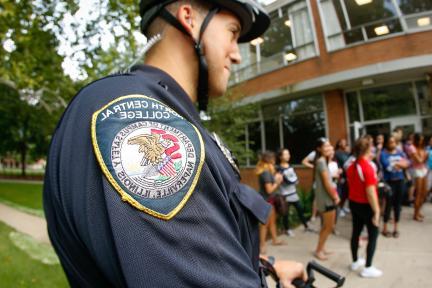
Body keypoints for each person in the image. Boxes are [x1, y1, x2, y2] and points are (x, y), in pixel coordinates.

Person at [43, 1, 305, 286]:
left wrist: (263, 271)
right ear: (189, 18)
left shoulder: (168, 114)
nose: (237, 55)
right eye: (232, 32)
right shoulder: (134, 115)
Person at [346, 137, 383, 278]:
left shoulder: (352, 166)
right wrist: (377, 211)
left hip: (354, 203)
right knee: (373, 235)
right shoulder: (367, 167)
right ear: (368, 149)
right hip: (366, 205)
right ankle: (368, 267)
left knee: (356, 232)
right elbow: (370, 192)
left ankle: (355, 261)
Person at [313, 138, 340, 261]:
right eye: (325, 146)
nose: (329, 148)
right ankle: (319, 250)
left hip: (326, 198)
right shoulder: (321, 162)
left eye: (330, 146)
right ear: (319, 149)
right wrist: (335, 196)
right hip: (327, 199)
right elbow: (327, 184)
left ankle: (321, 247)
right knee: (328, 227)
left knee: (326, 226)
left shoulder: (323, 161)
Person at [379, 135, 409, 238]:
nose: (392, 144)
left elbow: (407, 163)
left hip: (400, 181)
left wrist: (397, 164)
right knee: (388, 205)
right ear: (386, 143)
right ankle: (385, 228)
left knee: (398, 206)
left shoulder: (400, 152)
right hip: (389, 182)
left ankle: (396, 228)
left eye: (393, 142)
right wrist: (400, 164)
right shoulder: (383, 154)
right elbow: (388, 168)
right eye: (390, 142)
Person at [276, 148, 310, 236]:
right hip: (285, 195)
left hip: (293, 193)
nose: (288, 156)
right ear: (280, 156)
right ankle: (287, 229)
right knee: (285, 214)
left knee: (300, 209)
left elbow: (294, 177)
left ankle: (306, 226)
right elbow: (284, 181)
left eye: (288, 154)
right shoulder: (278, 169)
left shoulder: (290, 166)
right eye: (285, 154)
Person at [257, 151, 286, 254]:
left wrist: (276, 178)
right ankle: (262, 245)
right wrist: (277, 182)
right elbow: (269, 190)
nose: (274, 161)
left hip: (270, 200)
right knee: (264, 224)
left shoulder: (268, 171)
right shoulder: (265, 173)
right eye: (273, 159)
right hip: (266, 201)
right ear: (270, 160)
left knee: (272, 221)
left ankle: (275, 240)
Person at [409, 133, 429, 222]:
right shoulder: (412, 147)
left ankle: (418, 211)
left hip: (424, 170)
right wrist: (426, 156)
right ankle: (415, 214)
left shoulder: (422, 147)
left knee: (424, 193)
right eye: (420, 139)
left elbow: (423, 160)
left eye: (422, 139)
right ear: (416, 140)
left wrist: (425, 157)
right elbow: (419, 160)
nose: (422, 141)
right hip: (417, 171)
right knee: (418, 193)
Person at [334, 139, 351, 216]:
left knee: (346, 194)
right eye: (343, 142)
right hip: (341, 177)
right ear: (339, 144)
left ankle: (342, 207)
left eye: (345, 142)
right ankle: (339, 209)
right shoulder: (336, 153)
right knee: (341, 194)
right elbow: (337, 165)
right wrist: (340, 177)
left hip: (347, 176)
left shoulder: (346, 153)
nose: (345, 144)